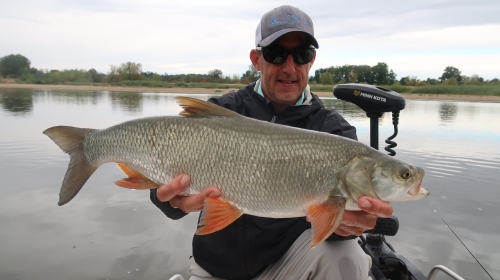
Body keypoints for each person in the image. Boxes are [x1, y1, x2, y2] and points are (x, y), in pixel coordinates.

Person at [151, 5, 393, 280]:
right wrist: (172, 203)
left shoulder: (333, 130)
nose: (289, 68)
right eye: (276, 54)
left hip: (289, 265)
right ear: (256, 59)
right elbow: (162, 187)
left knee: (348, 256)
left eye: (301, 55)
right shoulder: (222, 110)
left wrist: (348, 223)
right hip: (215, 268)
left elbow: (336, 227)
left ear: (311, 60)